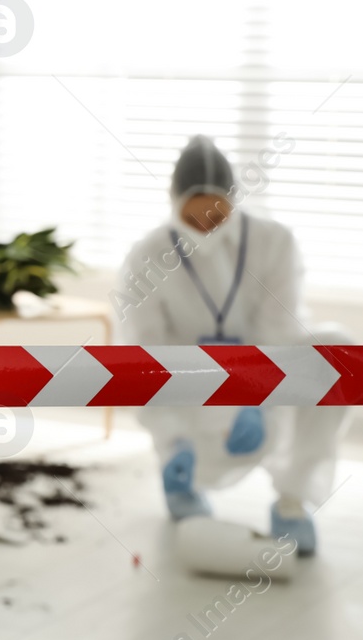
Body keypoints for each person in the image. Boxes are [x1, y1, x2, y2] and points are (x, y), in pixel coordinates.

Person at [113, 136, 350, 554]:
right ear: (174, 203)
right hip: (191, 397)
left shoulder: (273, 242)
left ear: (233, 199)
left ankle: (293, 503)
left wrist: (257, 401)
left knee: (335, 348)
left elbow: (278, 332)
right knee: (151, 379)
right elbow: (140, 357)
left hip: (262, 393)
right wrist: (172, 443)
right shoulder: (148, 255)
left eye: (215, 211)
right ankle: (181, 474)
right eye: (194, 212)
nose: (205, 221)